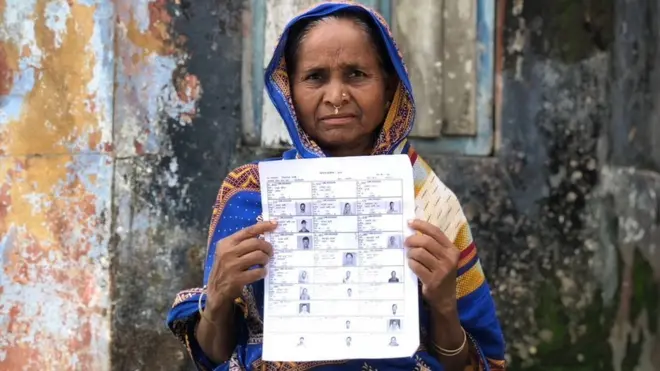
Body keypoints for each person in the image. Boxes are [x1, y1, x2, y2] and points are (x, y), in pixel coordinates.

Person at [166, 3, 506, 371]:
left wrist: (443, 306)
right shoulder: (249, 195)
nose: (336, 96)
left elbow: (481, 364)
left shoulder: (428, 201)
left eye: (357, 74)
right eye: (315, 77)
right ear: (289, 90)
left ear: (390, 86)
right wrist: (217, 298)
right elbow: (213, 355)